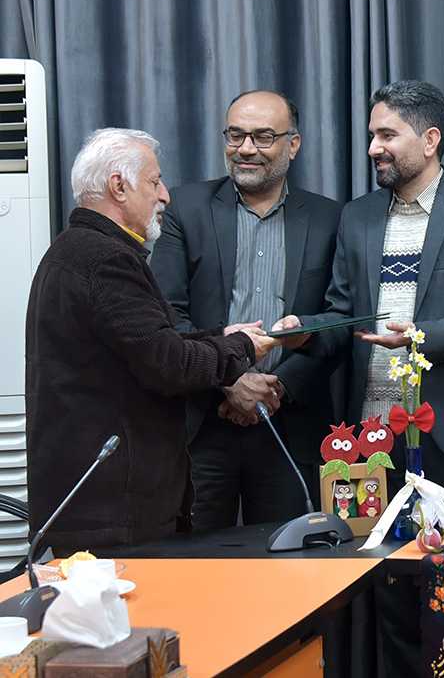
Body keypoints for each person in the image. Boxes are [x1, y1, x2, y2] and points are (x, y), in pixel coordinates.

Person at [25, 128, 279, 552]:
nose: (165, 195)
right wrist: (243, 348)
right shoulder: (105, 259)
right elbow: (169, 365)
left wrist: (221, 335)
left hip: (97, 508)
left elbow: (146, 344)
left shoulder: (74, 250)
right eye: (155, 181)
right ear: (118, 187)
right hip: (113, 513)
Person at [277, 79, 444, 487]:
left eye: (387, 135)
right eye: (372, 136)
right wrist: (304, 332)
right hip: (371, 436)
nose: (374, 148)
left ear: (430, 141)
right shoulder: (357, 216)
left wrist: (418, 337)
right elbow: (344, 316)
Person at [150, 90, 344, 531]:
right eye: (236, 136)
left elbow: (338, 321)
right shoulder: (185, 209)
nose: (246, 149)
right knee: (195, 560)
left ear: (292, 145)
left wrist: (276, 389)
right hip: (203, 422)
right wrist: (230, 379)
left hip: (290, 424)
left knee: (289, 561)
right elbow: (166, 314)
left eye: (263, 137)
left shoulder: (330, 218)